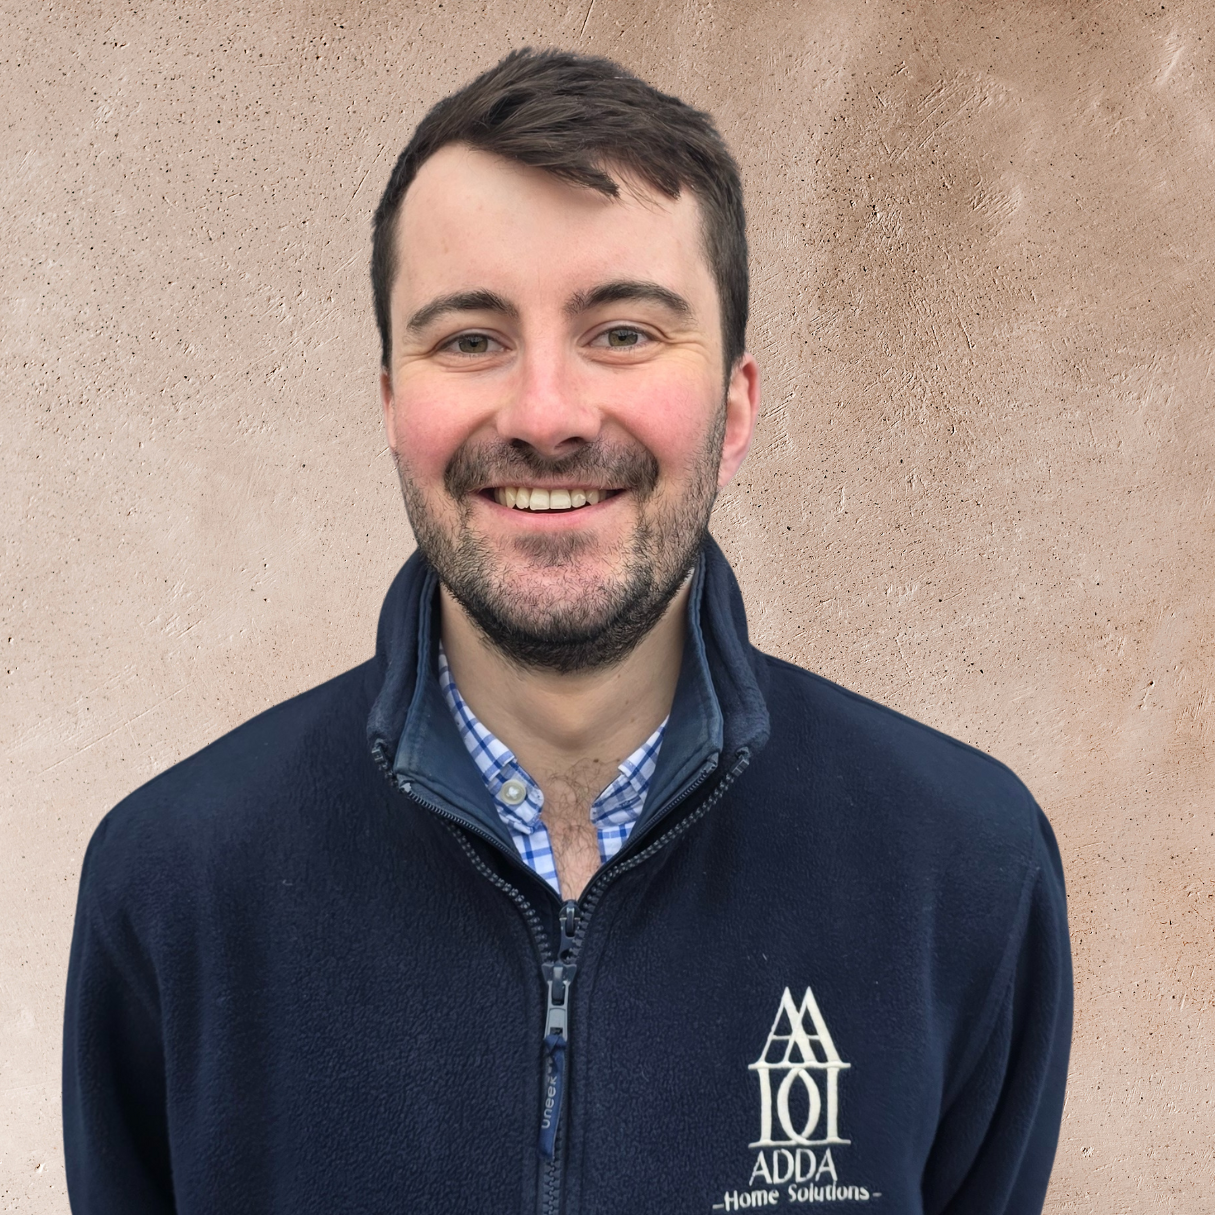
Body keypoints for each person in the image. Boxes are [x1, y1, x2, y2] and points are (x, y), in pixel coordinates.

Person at [63, 48, 1072, 1214]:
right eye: (470, 339)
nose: (546, 414)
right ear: (393, 404)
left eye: (626, 332)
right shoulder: (175, 888)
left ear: (735, 408)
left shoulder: (963, 872)